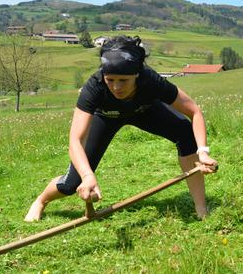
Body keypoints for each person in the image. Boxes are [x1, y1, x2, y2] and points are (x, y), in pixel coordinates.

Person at [24, 35, 218, 222]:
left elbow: (194, 112)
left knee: (185, 132)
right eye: (110, 80)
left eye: (123, 80)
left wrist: (202, 152)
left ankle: (201, 207)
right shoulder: (94, 86)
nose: (116, 87)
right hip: (106, 117)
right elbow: (75, 140)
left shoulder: (150, 80)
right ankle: (41, 201)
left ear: (136, 74)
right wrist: (87, 175)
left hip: (145, 111)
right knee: (71, 184)